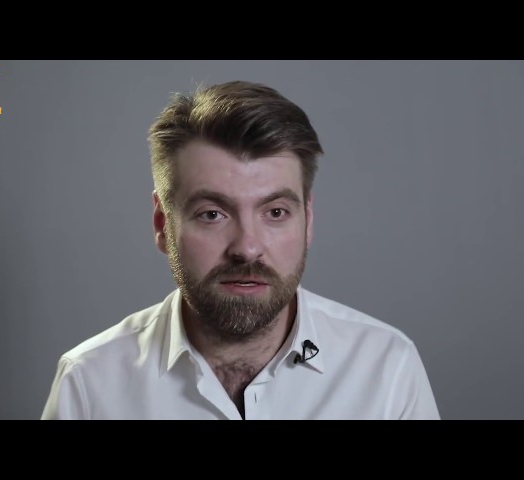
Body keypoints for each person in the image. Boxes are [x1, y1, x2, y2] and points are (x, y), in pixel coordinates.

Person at [41, 80, 440, 420]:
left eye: (276, 212)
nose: (247, 248)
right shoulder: (89, 383)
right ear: (163, 224)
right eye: (212, 214)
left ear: (307, 220)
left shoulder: (386, 368)